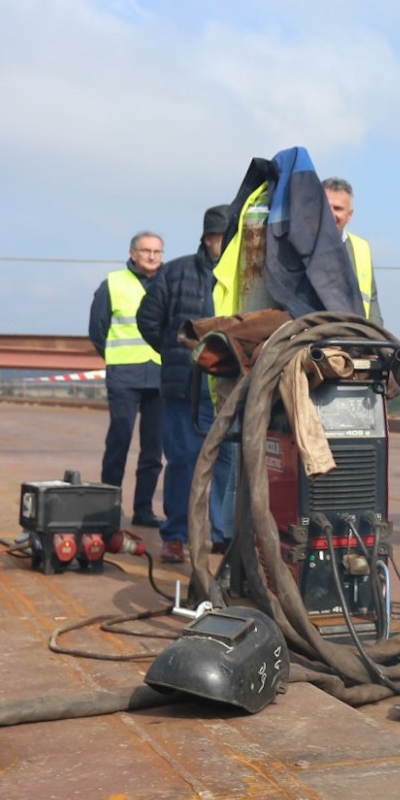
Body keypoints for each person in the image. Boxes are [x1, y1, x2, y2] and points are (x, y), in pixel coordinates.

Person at [136, 205, 234, 562]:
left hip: (229, 387)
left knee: (228, 460)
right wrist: (173, 353)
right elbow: (148, 319)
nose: (222, 245)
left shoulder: (244, 275)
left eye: (228, 239)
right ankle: (176, 534)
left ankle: (224, 534)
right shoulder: (175, 273)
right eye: (218, 238)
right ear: (207, 238)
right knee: (183, 461)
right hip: (185, 389)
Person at [88, 230, 166, 528]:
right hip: (125, 376)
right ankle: (109, 506)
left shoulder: (168, 282)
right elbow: (98, 330)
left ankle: (143, 510)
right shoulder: (112, 284)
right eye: (146, 251)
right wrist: (115, 360)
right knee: (119, 441)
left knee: (153, 448)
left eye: (157, 252)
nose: (151, 256)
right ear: (132, 253)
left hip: (159, 375)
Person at [323, 177, 383, 325]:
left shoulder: (361, 247)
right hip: (314, 335)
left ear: (349, 215)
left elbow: (372, 299)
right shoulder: (300, 244)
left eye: (338, 209)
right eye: (326, 207)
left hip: (355, 336)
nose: (331, 214)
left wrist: (375, 337)